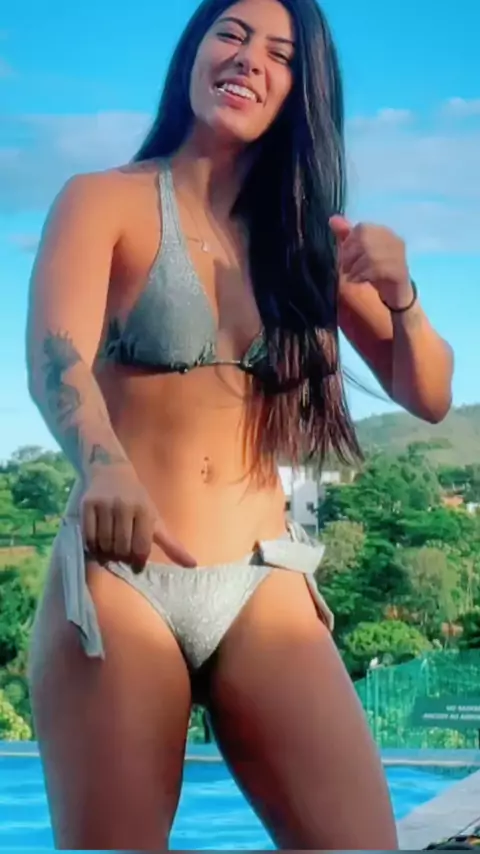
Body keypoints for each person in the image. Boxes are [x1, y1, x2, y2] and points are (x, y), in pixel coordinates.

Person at [26, 0, 454, 849]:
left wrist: (402, 295)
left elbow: (428, 393)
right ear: (194, 50)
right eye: (231, 33)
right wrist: (103, 463)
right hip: (124, 579)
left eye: (281, 54)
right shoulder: (103, 199)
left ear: (302, 90)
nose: (250, 58)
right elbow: (56, 358)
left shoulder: (306, 242)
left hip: (264, 583)